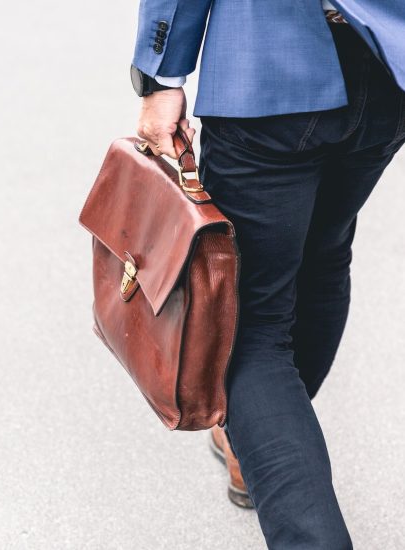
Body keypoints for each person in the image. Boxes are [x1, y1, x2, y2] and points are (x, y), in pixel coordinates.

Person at [130, 1, 405, 548]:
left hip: (268, 70)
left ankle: (281, 483)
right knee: (324, 255)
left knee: (250, 321)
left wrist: (161, 75)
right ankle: (253, 439)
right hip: (388, 70)